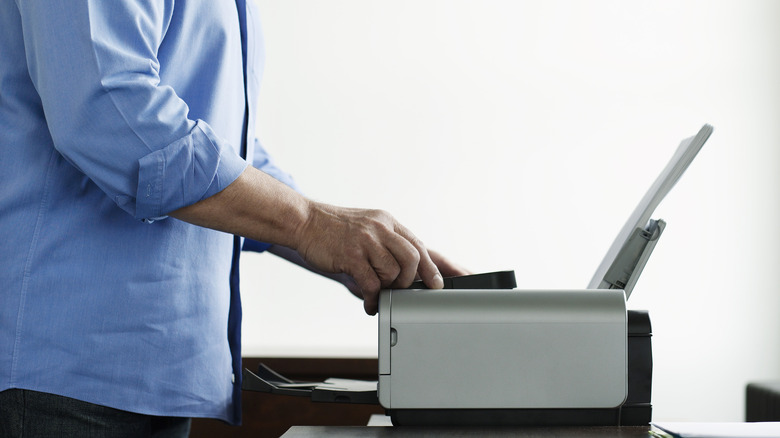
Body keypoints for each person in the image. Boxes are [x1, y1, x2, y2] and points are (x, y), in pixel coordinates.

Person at [0, 1, 467, 436]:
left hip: (154, 374)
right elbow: (110, 115)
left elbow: (219, 148)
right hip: (61, 372)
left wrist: (346, 249)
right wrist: (308, 224)